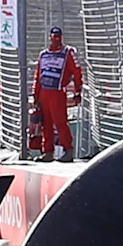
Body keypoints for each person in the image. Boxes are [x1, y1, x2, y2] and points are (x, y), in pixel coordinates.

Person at [29, 27, 85, 162]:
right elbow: (38, 76)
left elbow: (77, 72)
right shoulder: (43, 54)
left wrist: (78, 91)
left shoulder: (68, 52)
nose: (55, 39)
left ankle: (68, 150)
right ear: (49, 38)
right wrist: (35, 95)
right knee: (45, 123)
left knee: (60, 122)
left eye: (58, 36)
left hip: (58, 92)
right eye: (53, 36)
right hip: (44, 93)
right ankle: (47, 152)